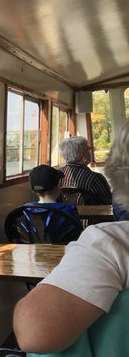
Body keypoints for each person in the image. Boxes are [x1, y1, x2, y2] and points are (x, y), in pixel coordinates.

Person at [13, 119, 129, 354]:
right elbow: (108, 204)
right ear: (84, 155)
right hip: (76, 232)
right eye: (87, 149)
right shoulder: (95, 180)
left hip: (52, 252)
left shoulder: (109, 243)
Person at [58, 136, 112, 204]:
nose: (90, 151)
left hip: (64, 214)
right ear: (82, 154)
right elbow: (108, 202)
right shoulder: (94, 178)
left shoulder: (57, 175)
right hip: (93, 214)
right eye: (88, 149)